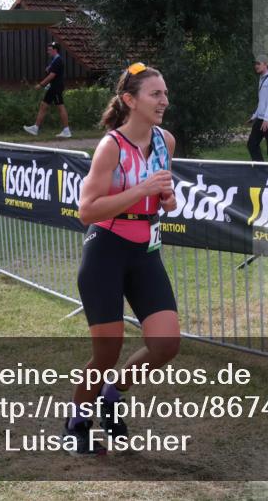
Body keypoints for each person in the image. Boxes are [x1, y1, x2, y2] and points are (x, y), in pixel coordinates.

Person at [68, 62, 180, 454]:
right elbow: (86, 211)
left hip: (145, 251)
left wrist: (166, 199)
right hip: (106, 251)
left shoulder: (166, 141)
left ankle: (112, 393)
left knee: (166, 344)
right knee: (106, 353)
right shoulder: (111, 146)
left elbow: (161, 197)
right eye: (155, 94)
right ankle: (77, 420)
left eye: (165, 94)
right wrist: (142, 190)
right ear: (130, 100)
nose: (164, 101)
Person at [24, 42, 72, 138]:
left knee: (60, 107)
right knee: (44, 106)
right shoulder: (55, 60)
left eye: (50, 50)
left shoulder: (58, 60)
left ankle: (66, 131)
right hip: (53, 87)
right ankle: (35, 128)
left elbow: (52, 76)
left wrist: (41, 85)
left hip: (56, 87)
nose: (48, 51)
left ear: (55, 50)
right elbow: (52, 72)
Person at [248, 55, 268, 162]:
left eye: (259, 63)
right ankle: (261, 168)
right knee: (252, 144)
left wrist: (266, 119)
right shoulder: (262, 78)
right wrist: (255, 116)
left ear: (266, 64)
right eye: (255, 64)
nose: (256, 66)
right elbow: (262, 101)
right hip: (261, 119)